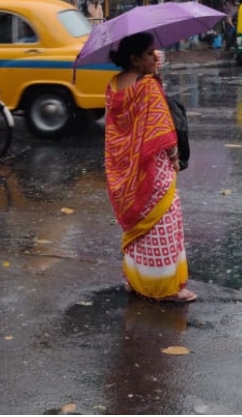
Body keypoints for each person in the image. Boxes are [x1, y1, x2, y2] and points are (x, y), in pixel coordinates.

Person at [103, 31, 195, 303]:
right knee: (164, 222)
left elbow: (119, 129)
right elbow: (161, 130)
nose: (154, 56)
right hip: (151, 169)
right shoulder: (147, 87)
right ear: (134, 58)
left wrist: (153, 74)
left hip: (124, 168)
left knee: (137, 225)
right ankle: (167, 288)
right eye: (148, 53)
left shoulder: (113, 85)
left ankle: (135, 280)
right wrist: (175, 155)